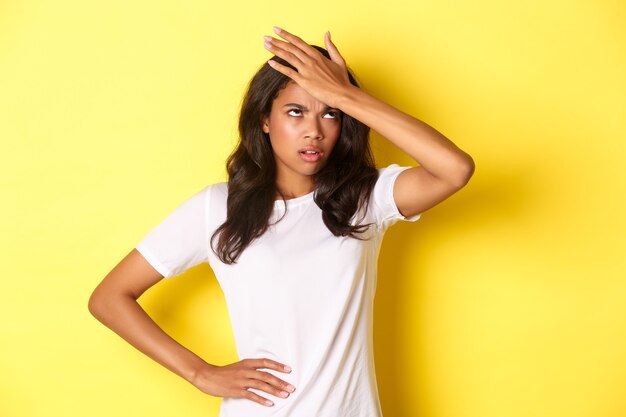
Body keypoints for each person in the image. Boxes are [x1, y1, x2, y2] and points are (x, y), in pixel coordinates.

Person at [88, 27, 475, 417]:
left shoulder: (364, 200)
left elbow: (454, 169)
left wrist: (346, 94)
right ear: (265, 120)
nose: (314, 130)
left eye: (330, 114)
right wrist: (199, 372)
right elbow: (108, 298)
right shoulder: (218, 208)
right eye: (295, 111)